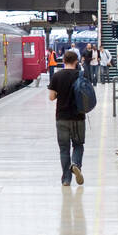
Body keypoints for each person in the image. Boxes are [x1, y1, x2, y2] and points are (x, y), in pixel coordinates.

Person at [49, 49, 86, 187]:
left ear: (63, 61)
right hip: (78, 117)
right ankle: (75, 164)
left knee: (64, 149)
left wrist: (61, 94)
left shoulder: (57, 76)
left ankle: (66, 179)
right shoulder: (81, 75)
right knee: (78, 145)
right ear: (76, 61)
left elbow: (52, 97)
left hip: (62, 117)